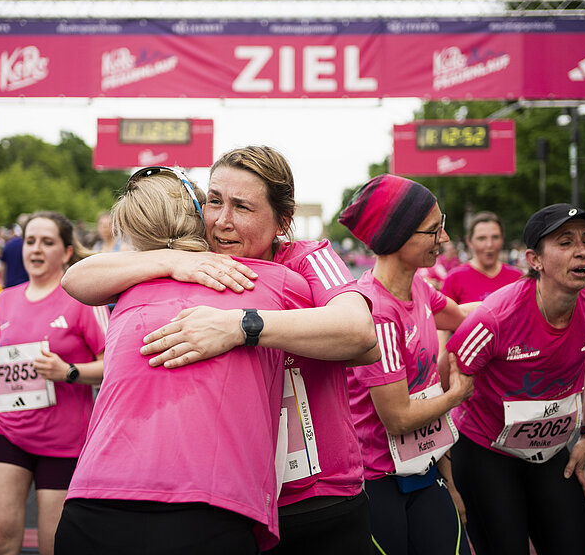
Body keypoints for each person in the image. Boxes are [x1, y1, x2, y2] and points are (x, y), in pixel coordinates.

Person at [61, 147, 377, 554]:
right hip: (229, 498)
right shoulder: (197, 264)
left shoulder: (307, 260)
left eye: (242, 207)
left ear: (283, 221)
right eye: (214, 201)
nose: (221, 221)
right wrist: (172, 260)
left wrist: (240, 325)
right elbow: (78, 278)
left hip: (315, 493)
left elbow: (360, 333)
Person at [444, 203, 585, 555]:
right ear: (534, 259)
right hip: (486, 450)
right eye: (565, 242)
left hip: (549, 448)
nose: (581, 251)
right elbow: (450, 380)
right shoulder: (495, 317)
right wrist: (448, 475)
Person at [0, 211, 108, 555]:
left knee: (54, 546)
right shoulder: (5, 299)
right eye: (30, 241)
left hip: (64, 441)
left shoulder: (84, 300)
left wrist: (69, 371)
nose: (36, 249)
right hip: (3, 428)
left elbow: (113, 363)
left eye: (47, 242)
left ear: (67, 252)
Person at [338, 174, 474, 555]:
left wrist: (531, 300)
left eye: (442, 225)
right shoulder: (376, 313)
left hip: (425, 468)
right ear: (397, 239)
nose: (444, 239)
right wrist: (457, 394)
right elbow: (397, 418)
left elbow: (464, 316)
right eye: (434, 230)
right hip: (378, 482)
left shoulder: (418, 287)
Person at [440, 211, 522, 304]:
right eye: (481, 238)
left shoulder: (518, 278)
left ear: (502, 239)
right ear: (469, 241)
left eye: (495, 237)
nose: (489, 244)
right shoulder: (454, 278)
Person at [0, 214, 29, 288]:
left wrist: (2, 282)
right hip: (27, 285)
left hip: (11, 284)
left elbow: (2, 265)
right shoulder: (31, 245)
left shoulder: (10, 243)